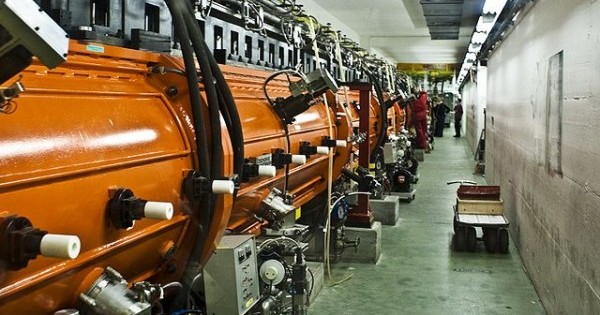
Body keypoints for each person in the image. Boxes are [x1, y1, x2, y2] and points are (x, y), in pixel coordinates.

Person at [411, 87, 429, 152]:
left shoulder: (422, 97)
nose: (415, 89)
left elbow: (419, 106)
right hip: (422, 115)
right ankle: (423, 143)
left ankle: (421, 144)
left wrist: (414, 104)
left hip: (418, 116)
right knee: (423, 130)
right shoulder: (423, 96)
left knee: (419, 131)